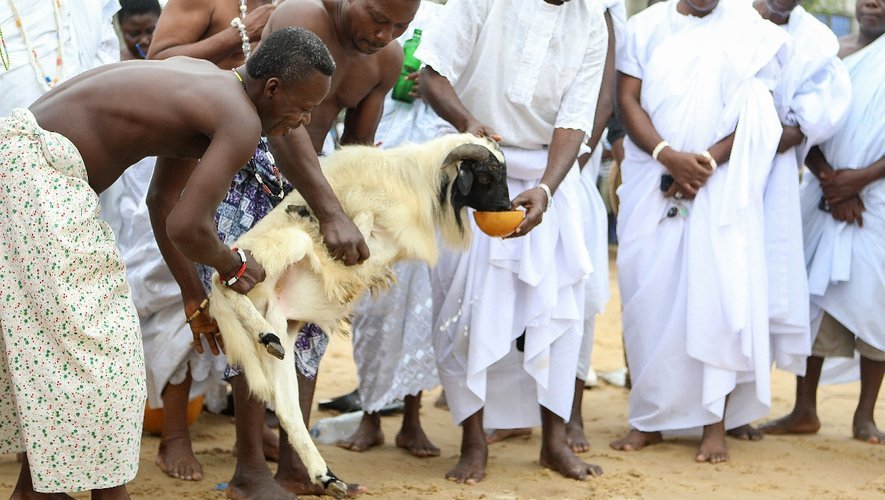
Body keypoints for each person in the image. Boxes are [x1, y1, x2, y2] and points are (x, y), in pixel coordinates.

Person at [0, 26, 335, 499]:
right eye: (302, 107)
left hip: (23, 164)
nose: (302, 122)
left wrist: (195, 296)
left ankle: (44, 491)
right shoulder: (242, 121)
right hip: (39, 176)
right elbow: (189, 228)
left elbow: (164, 202)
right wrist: (233, 264)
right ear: (273, 89)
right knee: (102, 352)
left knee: (69, 349)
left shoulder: (212, 83)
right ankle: (89, 493)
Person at [149, 0, 419, 497]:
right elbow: (282, 130)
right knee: (254, 318)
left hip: (318, 189)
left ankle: (298, 467)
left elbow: (356, 146)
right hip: (248, 162)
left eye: (400, 26)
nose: (384, 34)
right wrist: (331, 212)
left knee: (309, 322)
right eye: (378, 18)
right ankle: (249, 471)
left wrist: (350, 210)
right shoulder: (303, 16)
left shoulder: (387, 59)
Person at [418, 0, 608, 483]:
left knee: (557, 308)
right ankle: (473, 443)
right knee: (462, 309)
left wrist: (546, 189)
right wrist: (468, 125)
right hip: (468, 159)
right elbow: (431, 76)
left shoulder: (592, 18)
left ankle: (554, 442)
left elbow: (575, 118)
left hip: (547, 174)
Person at [610, 0, 789, 463]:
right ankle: (649, 419)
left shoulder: (751, 28)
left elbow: (760, 112)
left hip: (721, 184)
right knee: (648, 299)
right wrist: (668, 156)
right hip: (653, 176)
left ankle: (714, 424)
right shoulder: (645, 26)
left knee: (717, 296)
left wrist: (703, 163)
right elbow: (627, 99)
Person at [714, 0, 854, 442]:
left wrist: (752, 136)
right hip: (705, 170)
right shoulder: (723, 15)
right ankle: (683, 405)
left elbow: (810, 123)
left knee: (753, 291)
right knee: (708, 287)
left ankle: (735, 411)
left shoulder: (816, 39)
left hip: (770, 185)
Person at [760, 0, 884, 444]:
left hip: (876, 200)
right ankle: (804, 409)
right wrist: (831, 181)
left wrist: (859, 181)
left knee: (878, 300)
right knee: (809, 296)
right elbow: (801, 120)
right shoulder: (828, 51)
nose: (872, 2)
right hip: (822, 194)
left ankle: (865, 415)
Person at [334, 0, 445, 459]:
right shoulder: (378, 31)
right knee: (374, 299)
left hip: (432, 172)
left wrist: (439, 90)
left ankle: (413, 421)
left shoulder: (461, 16)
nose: (394, 29)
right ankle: (372, 416)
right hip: (380, 169)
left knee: (421, 300)